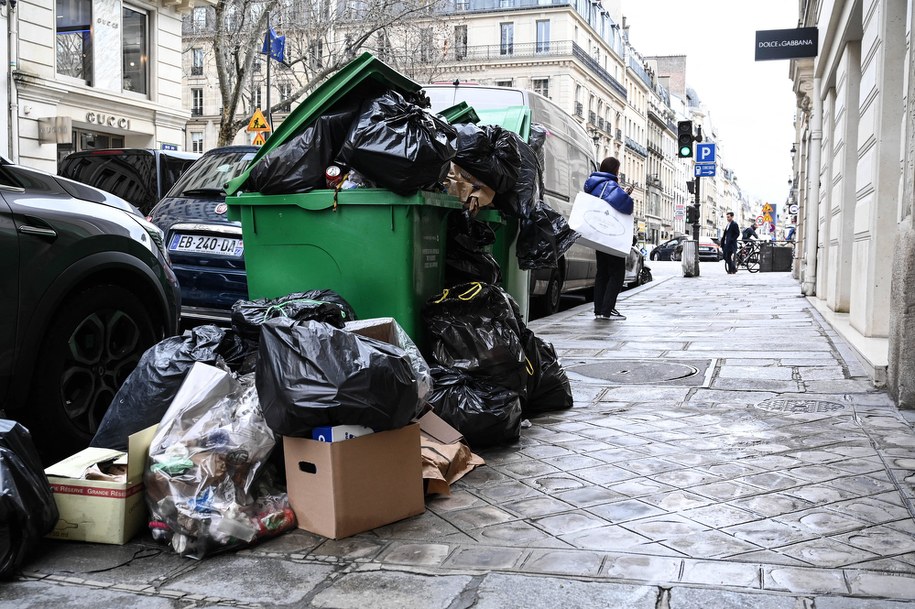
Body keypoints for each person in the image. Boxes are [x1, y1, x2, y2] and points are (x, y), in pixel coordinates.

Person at [583, 157, 634, 320]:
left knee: (602, 273)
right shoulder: (610, 185)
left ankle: (598, 310)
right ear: (614, 170)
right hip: (611, 235)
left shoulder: (592, 184)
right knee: (617, 274)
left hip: (598, 234)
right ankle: (607, 310)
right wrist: (626, 195)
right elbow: (626, 206)